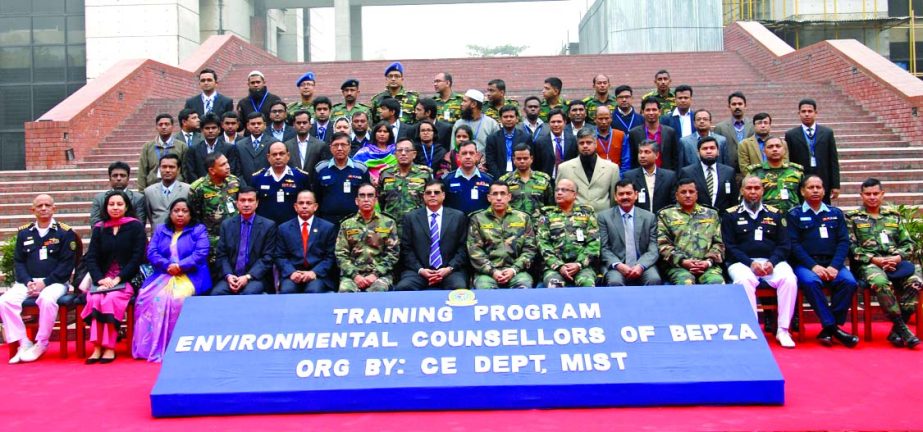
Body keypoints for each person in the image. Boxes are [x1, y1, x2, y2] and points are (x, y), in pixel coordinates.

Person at [722, 175, 798, 348]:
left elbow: (784, 244)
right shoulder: (730, 215)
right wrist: (750, 263)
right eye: (749, 188)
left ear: (763, 190)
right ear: (742, 191)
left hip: (772, 262)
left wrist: (772, 261)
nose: (753, 192)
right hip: (742, 263)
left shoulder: (776, 214)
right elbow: (730, 246)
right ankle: (753, 329)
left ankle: (783, 330)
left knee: (790, 280)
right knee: (744, 280)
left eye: (757, 188)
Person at [132, 198, 210, 362]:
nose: (180, 214)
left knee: (176, 300)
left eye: (184, 211)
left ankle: (176, 346)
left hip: (190, 275)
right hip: (164, 274)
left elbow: (201, 253)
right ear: (170, 213)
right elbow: (152, 252)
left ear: (190, 213)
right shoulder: (161, 230)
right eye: (176, 211)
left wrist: (180, 266)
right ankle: (148, 346)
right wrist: (167, 265)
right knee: (145, 298)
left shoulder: (198, 230)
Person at [846, 178, 921, 348]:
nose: (872, 197)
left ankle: (897, 330)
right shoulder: (852, 218)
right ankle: (902, 327)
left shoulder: (893, 217)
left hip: (895, 262)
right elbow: (851, 247)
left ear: (882, 194)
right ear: (861, 195)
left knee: (916, 281)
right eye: (868, 194)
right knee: (880, 282)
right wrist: (874, 260)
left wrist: (897, 258)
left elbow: (908, 244)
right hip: (869, 264)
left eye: (875, 193)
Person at [1, 194, 76, 364]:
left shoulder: (65, 232)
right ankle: (24, 342)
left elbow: (66, 265)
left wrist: (45, 283)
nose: (43, 208)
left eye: (47, 205)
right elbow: (19, 262)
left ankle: (41, 342)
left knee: (47, 299)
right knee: (4, 302)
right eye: (39, 205)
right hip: (27, 282)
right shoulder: (24, 232)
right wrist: (28, 281)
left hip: (54, 283)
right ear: (32, 210)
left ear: (54, 208)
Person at [787, 175, 859, 347]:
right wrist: (814, 266)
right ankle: (833, 328)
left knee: (849, 282)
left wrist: (834, 266)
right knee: (811, 282)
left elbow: (843, 242)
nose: (815, 191)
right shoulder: (794, 214)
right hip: (807, 265)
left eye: (818, 187)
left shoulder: (835, 214)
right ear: (803, 191)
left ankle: (829, 328)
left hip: (833, 263)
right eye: (810, 187)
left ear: (824, 191)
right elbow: (794, 245)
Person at [82, 190, 146, 364]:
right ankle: (97, 347)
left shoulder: (135, 226)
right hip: (102, 279)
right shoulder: (100, 228)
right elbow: (92, 257)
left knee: (110, 300)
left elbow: (137, 257)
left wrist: (118, 279)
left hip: (127, 278)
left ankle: (109, 347)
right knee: (94, 299)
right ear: (106, 207)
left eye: (119, 204)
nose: (115, 208)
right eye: (111, 204)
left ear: (126, 207)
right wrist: (100, 279)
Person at [395, 180, 469, 291]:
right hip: (419, 271)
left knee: (459, 288)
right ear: (424, 196)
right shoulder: (411, 218)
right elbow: (406, 249)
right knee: (404, 288)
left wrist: (449, 268)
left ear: (443, 195)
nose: (432, 195)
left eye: (436, 192)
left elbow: (463, 248)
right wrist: (420, 270)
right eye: (428, 193)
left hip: (449, 271)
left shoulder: (458, 217)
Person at [467, 181, 537, 289]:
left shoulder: (523, 218)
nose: (499, 198)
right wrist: (493, 271)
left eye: (503, 194)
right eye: (495, 194)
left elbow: (530, 249)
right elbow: (475, 251)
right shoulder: (477, 218)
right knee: (485, 289)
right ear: (489, 197)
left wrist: (514, 269)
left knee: (524, 287)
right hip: (486, 274)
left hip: (517, 272)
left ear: (509, 197)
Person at [657, 178, 725, 285]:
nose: (688, 195)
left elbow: (719, 243)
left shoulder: (711, 214)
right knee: (686, 282)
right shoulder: (665, 215)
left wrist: (707, 262)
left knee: (717, 282)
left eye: (691, 192)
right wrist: (682, 261)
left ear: (696, 194)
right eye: (683, 192)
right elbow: (662, 245)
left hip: (707, 265)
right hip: (678, 266)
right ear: (676, 195)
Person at [211, 186, 278, 295]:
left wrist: (247, 277)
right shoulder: (227, 225)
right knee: (216, 293)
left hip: (255, 277)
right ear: (237, 203)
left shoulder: (268, 226)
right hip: (231, 276)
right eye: (242, 200)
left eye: (250, 200)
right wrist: (228, 276)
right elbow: (222, 255)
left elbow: (267, 258)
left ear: (257, 203)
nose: (246, 204)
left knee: (247, 295)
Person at [335, 184, 400, 292]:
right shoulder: (346, 224)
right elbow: (340, 254)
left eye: (370, 196)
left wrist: (375, 274)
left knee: (378, 289)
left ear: (375, 200)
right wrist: (355, 276)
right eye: (362, 196)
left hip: (380, 275)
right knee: (345, 290)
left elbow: (393, 254)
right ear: (357, 200)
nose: (366, 199)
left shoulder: (388, 223)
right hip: (352, 276)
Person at [537, 178, 600, 288]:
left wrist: (579, 264)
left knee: (588, 285)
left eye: (564, 190)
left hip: (583, 267)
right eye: (557, 190)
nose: (559, 193)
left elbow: (594, 243)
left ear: (574, 194)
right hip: (554, 268)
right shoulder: (547, 214)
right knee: (554, 285)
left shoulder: (587, 212)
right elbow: (543, 244)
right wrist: (559, 266)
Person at [599, 180, 662, 286]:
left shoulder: (649, 217)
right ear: (615, 196)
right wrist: (619, 265)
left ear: (636, 195)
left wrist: (640, 266)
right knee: (615, 282)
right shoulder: (604, 217)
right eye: (621, 194)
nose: (625, 197)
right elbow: (604, 248)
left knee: (654, 279)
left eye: (628, 193)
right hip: (617, 266)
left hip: (643, 265)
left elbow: (653, 249)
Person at [276, 190, 337, 294]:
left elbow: (330, 257)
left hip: (317, 275)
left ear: (315, 206)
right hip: (293, 274)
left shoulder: (327, 228)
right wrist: (291, 272)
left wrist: (314, 272)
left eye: (308, 203)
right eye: (301, 203)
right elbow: (279, 256)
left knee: (313, 290)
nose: (304, 206)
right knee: (287, 290)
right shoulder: (284, 228)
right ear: (295, 207)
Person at [188, 152, 242, 264]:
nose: (228, 166)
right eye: (223, 165)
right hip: (211, 240)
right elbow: (194, 217)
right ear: (212, 170)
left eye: (227, 163)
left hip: (235, 237)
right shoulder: (198, 188)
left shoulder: (234, 182)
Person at [785, 98, 840, 203]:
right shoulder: (791, 135)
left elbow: (833, 160)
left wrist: (835, 185)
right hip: (801, 177)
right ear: (799, 113)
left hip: (823, 176)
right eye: (803, 111)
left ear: (816, 113)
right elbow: (789, 160)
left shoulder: (827, 133)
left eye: (810, 111)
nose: (807, 114)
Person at [313, 132, 372, 227]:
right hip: (327, 221)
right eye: (336, 145)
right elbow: (316, 197)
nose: (339, 148)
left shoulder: (361, 169)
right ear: (330, 147)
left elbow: (368, 196)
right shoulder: (321, 169)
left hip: (354, 221)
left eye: (343, 145)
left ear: (349, 147)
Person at [556, 127, 620, 213]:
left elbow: (614, 199)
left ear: (596, 144)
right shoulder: (564, 168)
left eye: (589, 142)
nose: (585, 146)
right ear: (577, 145)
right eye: (581, 143)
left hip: (602, 219)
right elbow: (559, 198)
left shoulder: (612, 168)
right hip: (574, 221)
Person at [251, 142, 311, 225]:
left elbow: (307, 203)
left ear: (288, 156)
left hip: (292, 227)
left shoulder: (300, 177)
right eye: (274, 154)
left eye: (281, 154)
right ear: (268, 157)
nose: (278, 157)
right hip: (265, 227)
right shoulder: (258, 178)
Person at [378, 139, 433, 229]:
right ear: (395, 154)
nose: (403, 153)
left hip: (417, 225)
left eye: (407, 150)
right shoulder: (385, 173)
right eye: (400, 150)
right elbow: (381, 200)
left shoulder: (425, 174)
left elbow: (430, 199)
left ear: (414, 154)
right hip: (391, 226)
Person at [678, 136, 738, 214]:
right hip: (697, 219)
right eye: (705, 148)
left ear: (718, 152)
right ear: (698, 153)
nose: (709, 151)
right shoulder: (687, 172)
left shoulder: (729, 172)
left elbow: (733, 200)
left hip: (723, 219)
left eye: (712, 148)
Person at [498, 143, 553, 221]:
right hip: (514, 225)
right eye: (519, 158)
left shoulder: (543, 179)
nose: (522, 161)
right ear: (514, 160)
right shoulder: (505, 181)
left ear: (531, 159)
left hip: (538, 226)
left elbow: (550, 205)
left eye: (525, 158)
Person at [748, 136, 803, 213]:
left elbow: (804, 195)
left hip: (792, 216)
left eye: (778, 146)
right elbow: (747, 198)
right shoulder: (755, 172)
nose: (774, 149)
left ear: (784, 150)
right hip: (766, 217)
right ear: (764, 151)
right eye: (770, 147)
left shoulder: (796, 171)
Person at [622, 140, 678, 213]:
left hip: (663, 220)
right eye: (640, 152)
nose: (642, 156)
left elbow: (674, 203)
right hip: (640, 220)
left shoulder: (669, 176)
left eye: (647, 152)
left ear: (657, 155)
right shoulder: (629, 176)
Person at [183, 112, 241, 182]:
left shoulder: (229, 148)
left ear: (219, 129)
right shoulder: (193, 149)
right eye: (207, 128)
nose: (210, 131)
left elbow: (231, 170)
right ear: (201, 130)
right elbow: (191, 172)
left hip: (224, 189)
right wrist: (202, 187)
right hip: (200, 189)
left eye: (213, 128)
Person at [89, 161, 147, 227]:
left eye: (122, 176)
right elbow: (95, 223)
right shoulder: (99, 198)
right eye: (115, 175)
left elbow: (140, 224)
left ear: (128, 178)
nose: (119, 178)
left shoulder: (138, 198)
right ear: (109, 178)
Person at [138, 113, 188, 190]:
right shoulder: (148, 147)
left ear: (172, 127)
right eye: (160, 124)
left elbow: (185, 171)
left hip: (176, 188)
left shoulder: (181, 146)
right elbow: (142, 172)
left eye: (167, 124)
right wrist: (141, 191)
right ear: (156, 127)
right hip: (153, 187)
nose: (163, 127)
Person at [442, 140, 493, 215]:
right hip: (456, 224)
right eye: (464, 153)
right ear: (458, 157)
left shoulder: (488, 180)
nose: (468, 156)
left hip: (480, 224)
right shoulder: (447, 180)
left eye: (471, 153)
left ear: (477, 156)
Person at [628, 98, 679, 170]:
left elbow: (675, 158)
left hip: (665, 176)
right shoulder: (634, 133)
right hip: (642, 176)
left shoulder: (670, 132)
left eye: (654, 110)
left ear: (660, 112)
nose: (651, 113)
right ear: (642, 112)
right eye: (648, 110)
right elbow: (632, 158)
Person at [485, 105, 533, 179]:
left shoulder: (526, 137)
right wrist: (500, 178)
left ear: (517, 119)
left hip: (520, 177)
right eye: (505, 117)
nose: (508, 119)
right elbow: (490, 161)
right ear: (500, 119)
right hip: (499, 177)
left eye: (511, 116)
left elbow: (529, 159)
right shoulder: (492, 138)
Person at [144, 154, 190, 229]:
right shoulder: (149, 191)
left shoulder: (187, 189)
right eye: (164, 167)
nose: (167, 170)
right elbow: (150, 215)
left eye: (171, 167)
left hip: (182, 234)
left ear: (178, 170)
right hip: (159, 236)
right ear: (159, 169)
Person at [714, 92, 753, 175]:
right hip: (728, 172)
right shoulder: (720, 127)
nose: (737, 107)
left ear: (745, 106)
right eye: (734, 104)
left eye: (740, 104)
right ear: (729, 106)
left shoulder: (753, 125)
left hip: (751, 171)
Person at [236, 111, 280, 185]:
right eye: (253, 124)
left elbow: (278, 166)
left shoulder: (274, 143)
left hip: (269, 186)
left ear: (265, 125)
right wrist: (244, 187)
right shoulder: (240, 145)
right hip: (246, 190)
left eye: (259, 123)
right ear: (247, 126)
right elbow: (237, 171)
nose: (256, 126)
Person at [532, 109, 577, 178]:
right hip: (546, 181)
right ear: (548, 123)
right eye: (553, 122)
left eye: (559, 122)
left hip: (568, 179)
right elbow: (536, 165)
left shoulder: (573, 140)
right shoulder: (539, 142)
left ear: (565, 122)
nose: (556, 125)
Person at [451, 89, 499, 154]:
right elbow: (453, 148)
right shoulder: (459, 123)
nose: (461, 104)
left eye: (464, 101)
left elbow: (497, 148)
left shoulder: (491, 124)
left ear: (473, 104)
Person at [592, 106, 627, 171]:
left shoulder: (621, 135)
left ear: (611, 119)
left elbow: (626, 160)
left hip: (618, 176)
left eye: (606, 118)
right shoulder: (590, 137)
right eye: (600, 119)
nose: (604, 122)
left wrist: (621, 177)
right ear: (595, 119)